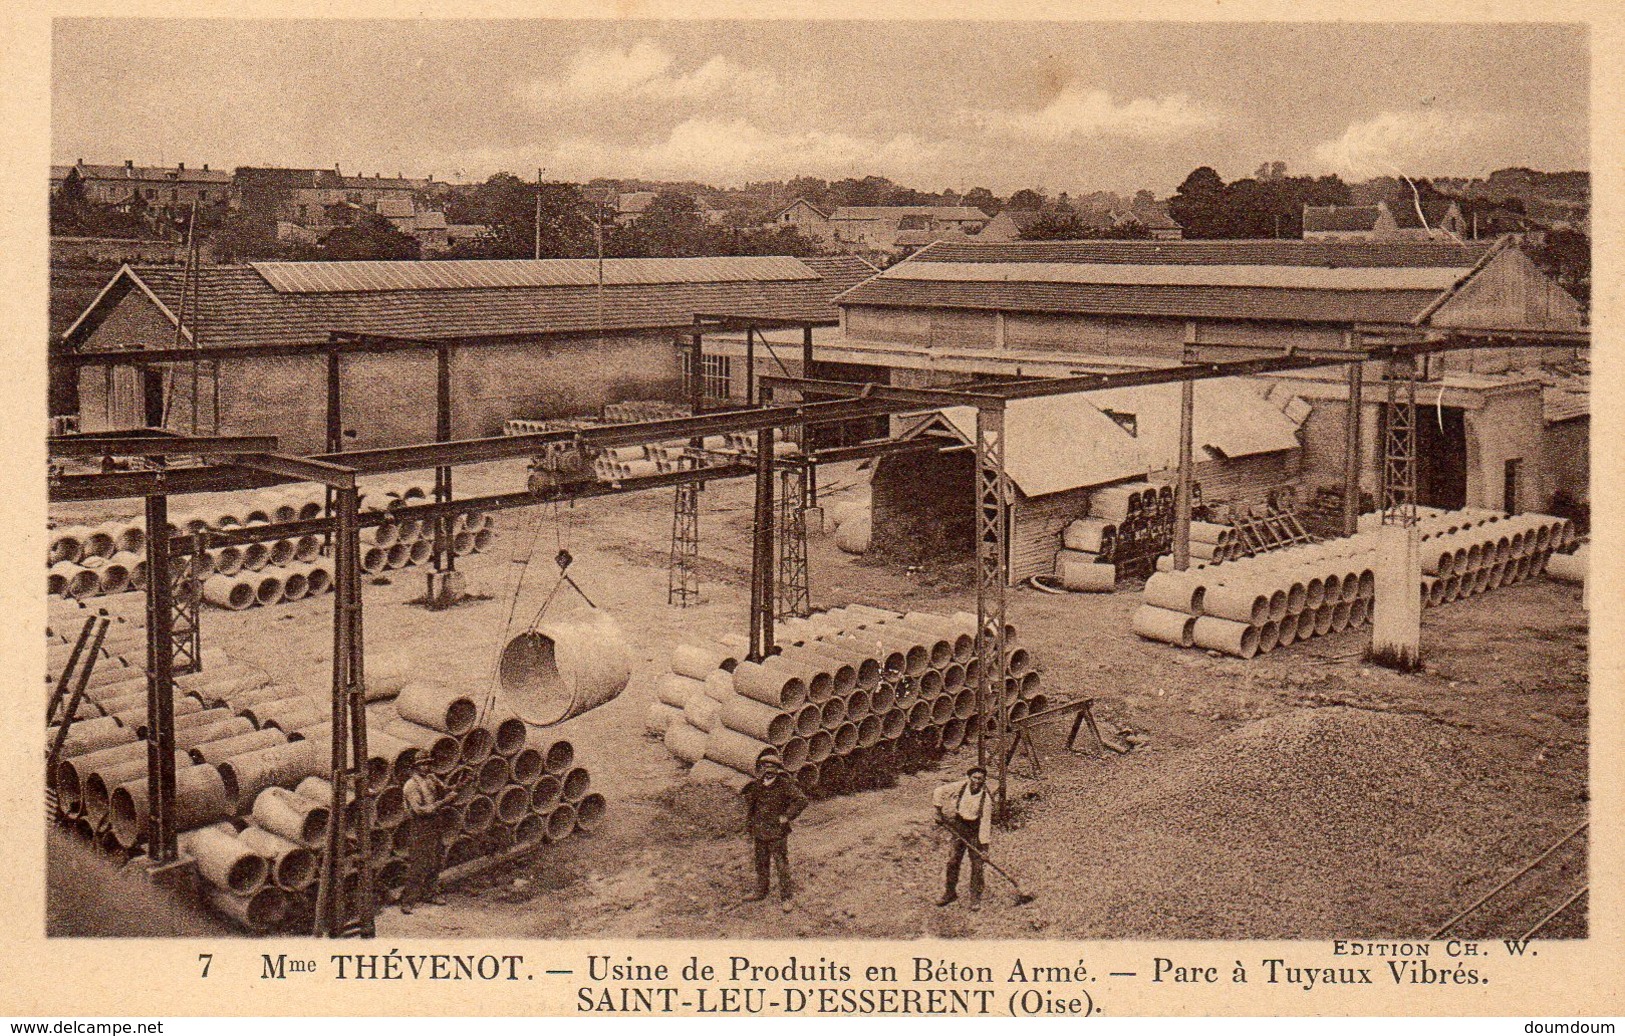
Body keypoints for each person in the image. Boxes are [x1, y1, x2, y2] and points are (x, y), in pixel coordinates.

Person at [739, 750, 807, 912]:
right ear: (761, 768)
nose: (768, 770)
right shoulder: (757, 785)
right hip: (760, 831)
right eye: (764, 767)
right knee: (761, 863)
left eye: (772, 767)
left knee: (781, 864)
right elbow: (751, 808)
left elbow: (801, 800)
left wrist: (787, 816)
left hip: (777, 832)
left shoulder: (785, 784)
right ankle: (761, 891)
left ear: (777, 770)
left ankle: (786, 897)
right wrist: (749, 827)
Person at [932, 765, 999, 908]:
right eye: (974, 777)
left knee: (977, 865)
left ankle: (975, 898)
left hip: (974, 831)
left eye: (980, 779)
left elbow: (985, 824)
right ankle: (950, 893)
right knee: (952, 861)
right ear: (969, 777)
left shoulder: (985, 800)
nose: (977, 781)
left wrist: (984, 848)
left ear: (984, 780)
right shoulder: (960, 787)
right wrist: (938, 811)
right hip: (959, 827)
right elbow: (938, 791)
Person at [399, 755, 460, 914]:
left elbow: (446, 788)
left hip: (434, 823)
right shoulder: (411, 785)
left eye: (428, 763)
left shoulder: (431, 779)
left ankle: (430, 893)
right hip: (420, 826)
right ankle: (408, 901)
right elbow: (420, 810)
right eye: (422, 764)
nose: (426, 767)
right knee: (419, 863)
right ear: (415, 767)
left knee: (436, 859)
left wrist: (461, 783)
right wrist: (445, 801)